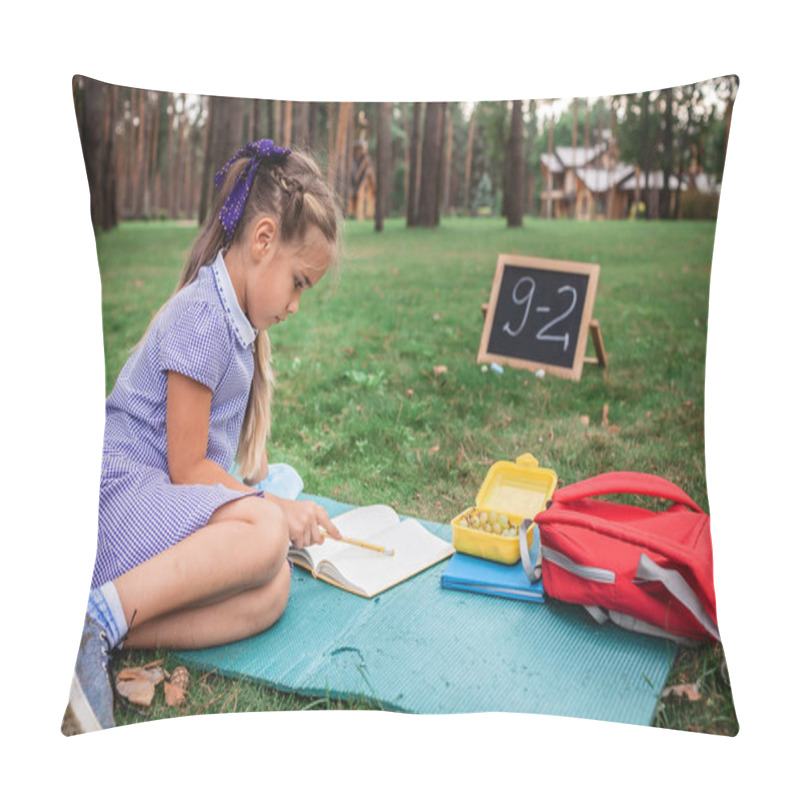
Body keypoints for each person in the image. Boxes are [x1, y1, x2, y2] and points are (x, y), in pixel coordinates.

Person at [63, 139, 343, 734]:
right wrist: (270, 508)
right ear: (262, 240)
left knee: (271, 591)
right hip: (116, 499)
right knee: (265, 528)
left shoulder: (232, 322)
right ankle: (96, 620)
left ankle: (91, 625)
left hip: (149, 500)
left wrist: (263, 496)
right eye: (298, 283)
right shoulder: (201, 315)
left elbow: (206, 466)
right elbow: (189, 469)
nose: (295, 304)